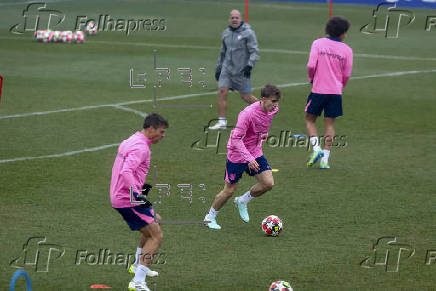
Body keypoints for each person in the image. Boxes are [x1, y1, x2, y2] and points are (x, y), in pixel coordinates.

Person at [204, 84, 282, 229]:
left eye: (277, 102)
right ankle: (210, 217)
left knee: (268, 184)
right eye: (273, 101)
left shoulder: (273, 110)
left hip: (255, 151)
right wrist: (249, 158)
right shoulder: (247, 114)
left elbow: (264, 122)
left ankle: (242, 201)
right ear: (263, 99)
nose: (275, 106)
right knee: (229, 190)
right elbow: (235, 138)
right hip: (238, 153)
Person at [110, 113, 168, 291]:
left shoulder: (132, 139)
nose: (163, 135)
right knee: (156, 235)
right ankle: (138, 281)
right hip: (127, 198)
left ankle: (137, 266)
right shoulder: (141, 147)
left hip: (126, 195)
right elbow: (126, 171)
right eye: (161, 131)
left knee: (155, 220)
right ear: (151, 129)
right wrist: (137, 194)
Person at [305, 16, 353, 169]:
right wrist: (340, 86)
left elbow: (311, 65)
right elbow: (346, 75)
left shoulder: (318, 43)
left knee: (310, 120)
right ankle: (325, 160)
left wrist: (312, 78)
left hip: (319, 89)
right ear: (342, 33)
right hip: (336, 92)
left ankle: (316, 149)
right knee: (330, 124)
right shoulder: (347, 50)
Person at [209, 9, 260, 130]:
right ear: (229, 19)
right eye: (232, 17)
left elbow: (255, 51)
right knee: (222, 92)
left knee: (246, 97)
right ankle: (222, 122)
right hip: (227, 70)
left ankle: (264, 112)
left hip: (241, 72)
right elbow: (222, 52)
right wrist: (218, 68)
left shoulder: (248, 33)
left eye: (237, 17)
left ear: (241, 19)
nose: (234, 19)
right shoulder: (226, 33)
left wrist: (249, 65)